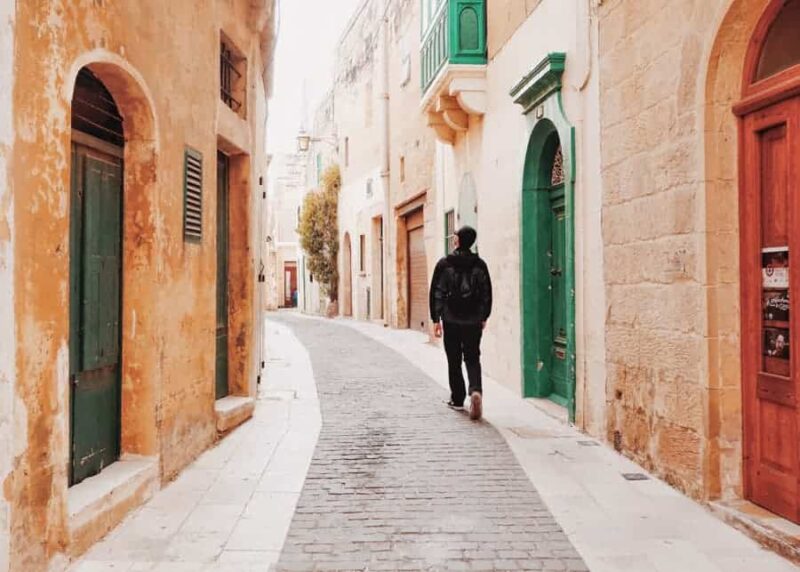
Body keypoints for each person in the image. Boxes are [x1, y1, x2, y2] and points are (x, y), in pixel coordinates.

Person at [429, 226, 492, 420]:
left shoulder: (445, 263)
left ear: (457, 241)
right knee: (472, 357)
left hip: (451, 319)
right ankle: (475, 390)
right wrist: (483, 316)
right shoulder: (480, 265)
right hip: (473, 319)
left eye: (455, 237)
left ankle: (457, 399)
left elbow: (437, 292)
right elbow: (486, 293)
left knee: (454, 359)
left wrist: (436, 319)